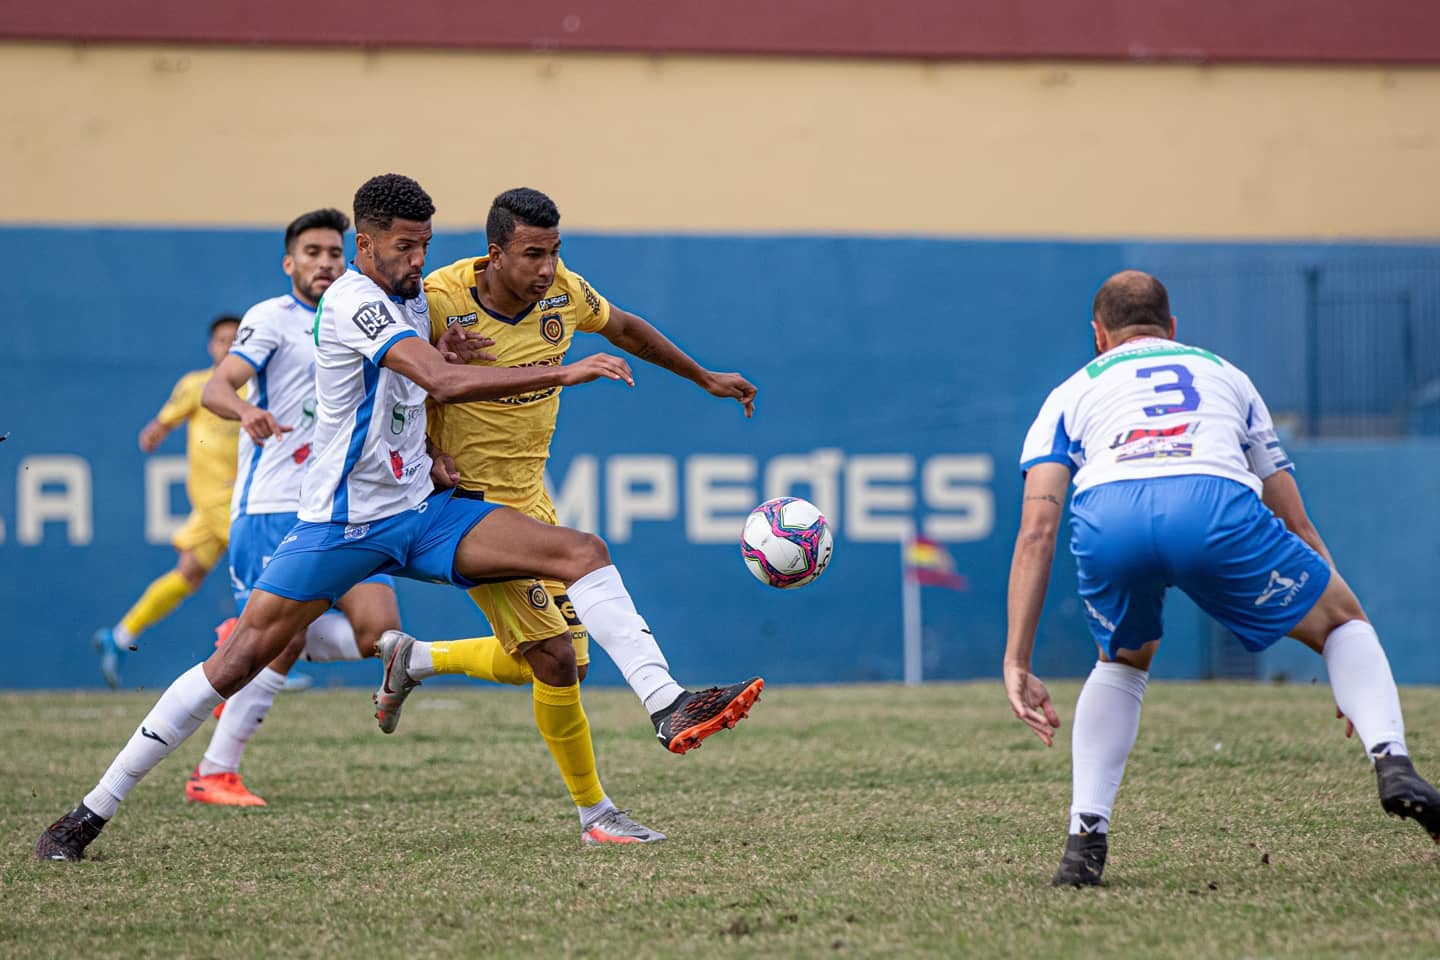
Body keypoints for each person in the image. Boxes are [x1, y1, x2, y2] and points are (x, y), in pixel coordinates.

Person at [37, 173, 675, 862]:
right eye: (404, 247)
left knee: (580, 552)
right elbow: (444, 382)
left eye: (425, 246)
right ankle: (89, 813)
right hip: (341, 525)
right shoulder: (353, 302)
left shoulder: (411, 301)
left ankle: (665, 706)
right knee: (239, 659)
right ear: (363, 244)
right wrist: (561, 370)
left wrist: (430, 442)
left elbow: (419, 387)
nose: (417, 261)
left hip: (421, 514)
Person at [1003, 270, 1440, 887]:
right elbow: (1295, 520)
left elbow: (1037, 533)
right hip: (1212, 504)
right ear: (1172, 328)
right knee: (1342, 622)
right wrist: (1343, 648)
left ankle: (1084, 844)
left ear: (1099, 336)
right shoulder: (1225, 374)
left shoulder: (1069, 393)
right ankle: (1392, 761)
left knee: (1123, 660)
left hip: (1111, 517)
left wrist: (1016, 660)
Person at [377, 186, 763, 754]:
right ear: (495, 253)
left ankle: (416, 658)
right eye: (533, 254)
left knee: (568, 663)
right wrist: (429, 449)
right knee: (555, 652)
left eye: (554, 251)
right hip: (468, 505)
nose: (548, 267)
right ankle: (658, 714)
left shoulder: (563, 293)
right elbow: (396, 382)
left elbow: (626, 328)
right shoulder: (439, 299)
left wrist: (703, 377)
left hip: (531, 496)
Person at [186, 208, 417, 806]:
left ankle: (244, 635)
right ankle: (214, 771)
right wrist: (247, 413)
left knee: (380, 634)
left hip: (344, 504)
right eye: (312, 253)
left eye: (334, 253)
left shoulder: (368, 317)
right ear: (290, 263)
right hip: (273, 504)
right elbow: (217, 387)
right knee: (281, 641)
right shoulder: (272, 319)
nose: (325, 263)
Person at [93, 315, 242, 687]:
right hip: (218, 499)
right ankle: (270, 663)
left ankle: (120, 636)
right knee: (264, 565)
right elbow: (161, 424)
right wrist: (154, 434)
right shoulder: (197, 386)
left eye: (236, 340)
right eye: (222, 340)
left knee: (188, 574)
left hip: (241, 495)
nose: (228, 346)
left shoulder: (255, 386)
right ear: (211, 346)